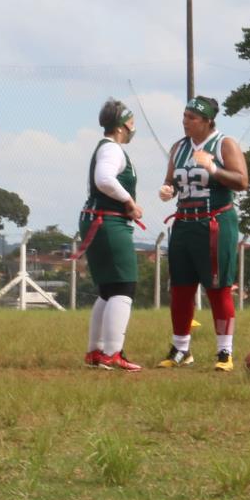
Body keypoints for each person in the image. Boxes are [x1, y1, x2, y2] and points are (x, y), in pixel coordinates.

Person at [156, 96, 249, 370]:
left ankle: (224, 351)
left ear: (208, 121)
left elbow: (242, 181)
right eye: (184, 116)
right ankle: (181, 349)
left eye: (192, 117)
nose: (185, 121)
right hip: (184, 222)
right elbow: (170, 180)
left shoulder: (224, 144)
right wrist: (167, 190)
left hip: (215, 223)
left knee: (218, 288)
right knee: (181, 288)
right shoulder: (178, 148)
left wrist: (214, 168)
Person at [79, 100, 145, 370]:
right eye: (131, 122)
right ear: (122, 126)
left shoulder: (105, 148)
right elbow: (104, 179)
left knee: (107, 290)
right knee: (123, 287)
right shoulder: (113, 151)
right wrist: (129, 201)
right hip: (108, 224)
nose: (133, 128)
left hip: (97, 220)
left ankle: (96, 351)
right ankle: (112, 354)